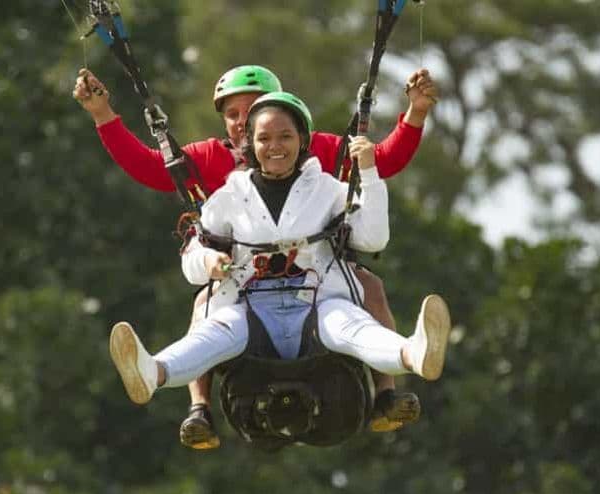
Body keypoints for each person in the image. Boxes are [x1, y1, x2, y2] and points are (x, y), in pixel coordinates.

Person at [73, 65, 440, 448]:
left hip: (318, 285)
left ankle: (398, 374)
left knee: (360, 304)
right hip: (242, 290)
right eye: (234, 117)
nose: (245, 125)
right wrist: (103, 116)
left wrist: (414, 115)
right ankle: (183, 395)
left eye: (253, 113)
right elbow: (152, 170)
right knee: (208, 315)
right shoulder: (219, 173)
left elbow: (381, 165)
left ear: (299, 134)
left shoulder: (321, 172)